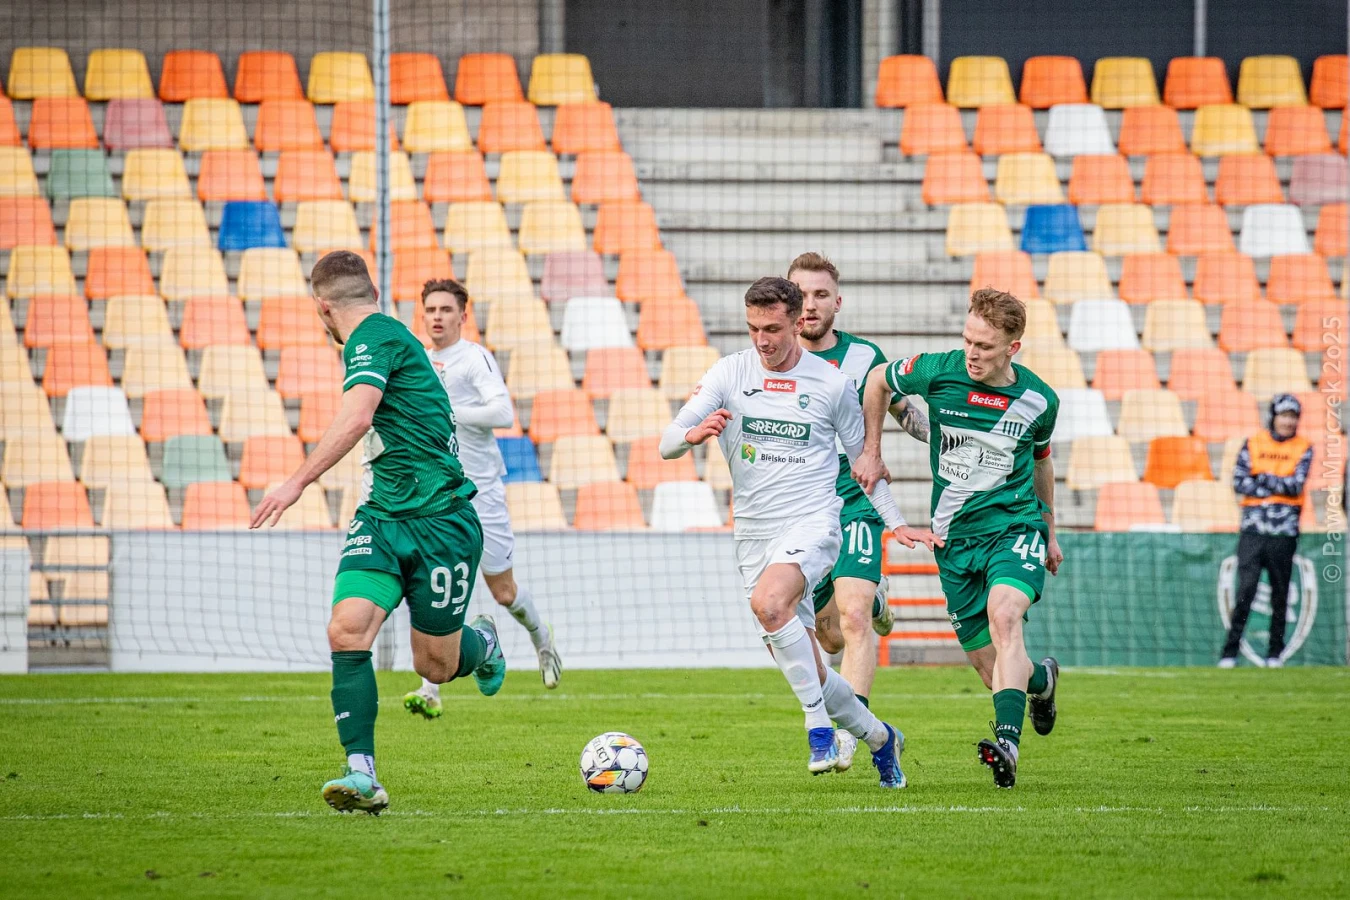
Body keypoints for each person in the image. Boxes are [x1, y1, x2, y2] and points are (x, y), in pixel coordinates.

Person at [659, 276, 940, 788]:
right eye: (753, 328)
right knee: (812, 665)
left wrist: (896, 522)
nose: (762, 340)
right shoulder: (729, 372)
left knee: (770, 604)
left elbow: (864, 463)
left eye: (771, 329)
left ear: (795, 322)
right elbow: (667, 441)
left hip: (814, 521)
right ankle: (882, 739)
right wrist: (691, 437)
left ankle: (818, 730)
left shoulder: (830, 384)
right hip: (754, 533)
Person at [251, 251, 503, 814]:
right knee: (346, 631)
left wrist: (295, 483)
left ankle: (483, 642)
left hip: (440, 521)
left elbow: (359, 415)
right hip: (382, 517)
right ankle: (361, 773)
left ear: (323, 307)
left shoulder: (372, 337)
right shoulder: (380, 337)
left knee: (434, 666)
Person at [854, 288, 1062, 789]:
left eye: (984, 346)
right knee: (991, 669)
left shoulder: (1040, 400)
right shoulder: (938, 370)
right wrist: (872, 450)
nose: (971, 352)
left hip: (1014, 528)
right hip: (954, 542)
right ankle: (1041, 681)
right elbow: (877, 380)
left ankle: (1007, 746)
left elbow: (1042, 463)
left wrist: (1050, 533)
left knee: (1004, 617)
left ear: (1012, 348)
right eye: (968, 340)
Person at [787, 252, 930, 765]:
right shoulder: (768, 360)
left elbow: (906, 413)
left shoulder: (865, 358)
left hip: (855, 503)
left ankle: (853, 731)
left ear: (838, 302)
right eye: (801, 294)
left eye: (820, 294)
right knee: (828, 640)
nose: (810, 304)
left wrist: (952, 438)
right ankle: (877, 598)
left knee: (852, 619)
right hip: (799, 512)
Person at [402, 279, 561, 719]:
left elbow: (503, 412)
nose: (437, 317)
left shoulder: (474, 359)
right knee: (436, 582)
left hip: (482, 492)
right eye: (430, 309)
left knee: (503, 591)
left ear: (462, 316)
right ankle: (430, 689)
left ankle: (542, 640)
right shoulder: (416, 360)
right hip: (437, 492)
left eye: (446, 309)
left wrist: (448, 414)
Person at [1220, 393, 1314, 669]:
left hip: (1284, 533)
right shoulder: (1253, 443)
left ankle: (1275, 653)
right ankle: (1229, 652)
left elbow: (1295, 486)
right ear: (1273, 416)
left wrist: (1261, 478)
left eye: (1293, 417)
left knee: (1280, 593)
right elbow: (1240, 482)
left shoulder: (1304, 447)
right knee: (1246, 590)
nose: (1288, 421)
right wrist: (1276, 485)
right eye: (1284, 415)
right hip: (1253, 531)